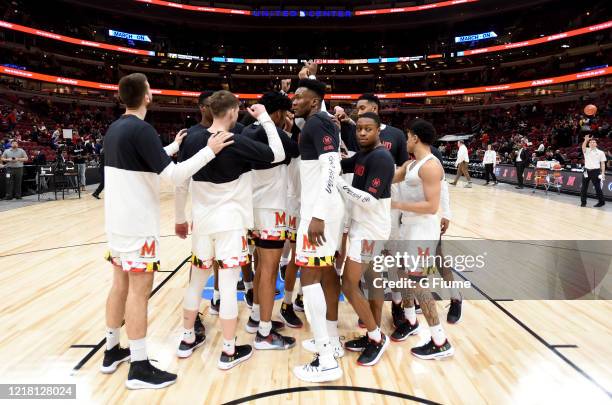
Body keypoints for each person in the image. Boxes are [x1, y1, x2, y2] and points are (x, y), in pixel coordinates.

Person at [101, 73, 233, 390]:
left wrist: (171, 146)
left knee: (119, 285)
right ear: (146, 96)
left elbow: (143, 160)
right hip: (137, 226)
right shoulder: (142, 129)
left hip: (116, 223)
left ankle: (111, 350)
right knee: (138, 291)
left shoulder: (116, 128)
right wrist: (209, 151)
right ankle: (139, 365)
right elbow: (173, 177)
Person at [174, 90, 287, 367]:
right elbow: (278, 153)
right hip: (230, 224)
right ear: (233, 112)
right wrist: (266, 120)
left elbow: (180, 181)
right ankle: (228, 350)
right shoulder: (234, 141)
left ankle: (187, 338)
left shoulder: (191, 138)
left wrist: (179, 215)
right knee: (226, 285)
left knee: (197, 281)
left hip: (202, 222)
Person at [291, 79, 344, 382]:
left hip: (318, 212)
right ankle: (331, 341)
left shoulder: (318, 123)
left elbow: (331, 167)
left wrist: (318, 214)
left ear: (314, 101)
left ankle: (325, 359)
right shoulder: (317, 122)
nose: (293, 100)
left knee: (309, 277)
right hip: (320, 209)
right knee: (322, 274)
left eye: (299, 97)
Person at [242, 91, 302, 346]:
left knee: (259, 268)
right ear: (277, 113)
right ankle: (264, 334)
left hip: (251, 208)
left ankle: (256, 317)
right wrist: (290, 130)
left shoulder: (245, 132)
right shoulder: (275, 133)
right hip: (271, 211)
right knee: (268, 272)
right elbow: (296, 151)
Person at [392, 119, 455, 359]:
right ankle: (410, 320)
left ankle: (440, 341)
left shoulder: (430, 166)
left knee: (418, 282)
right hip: (408, 226)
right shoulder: (411, 164)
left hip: (423, 228)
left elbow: (431, 206)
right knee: (403, 275)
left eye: (408, 136)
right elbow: (389, 177)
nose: (405, 140)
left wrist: (396, 204)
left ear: (415, 137)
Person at [336, 112, 395, 366]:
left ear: (377, 131)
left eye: (367, 129)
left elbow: (370, 200)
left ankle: (376, 336)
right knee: (371, 280)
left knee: (348, 284)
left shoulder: (382, 157)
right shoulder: (363, 154)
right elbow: (342, 163)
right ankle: (372, 334)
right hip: (366, 227)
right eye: (359, 128)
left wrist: (340, 185)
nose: (361, 133)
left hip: (371, 230)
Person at [580, 134, 606, 208]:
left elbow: (603, 164)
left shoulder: (601, 152)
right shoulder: (586, 150)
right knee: (584, 187)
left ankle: (601, 202)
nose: (592, 143)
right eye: (590, 142)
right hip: (586, 171)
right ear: (589, 144)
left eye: (594, 142)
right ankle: (583, 202)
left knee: (597, 187)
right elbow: (583, 147)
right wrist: (585, 140)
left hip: (595, 171)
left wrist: (603, 173)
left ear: (596, 144)